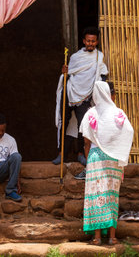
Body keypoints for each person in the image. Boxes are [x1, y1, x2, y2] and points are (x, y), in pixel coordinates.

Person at [80, 81, 134, 245]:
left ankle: (97, 238)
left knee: (97, 195)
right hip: (114, 159)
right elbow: (128, 132)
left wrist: (89, 161)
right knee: (111, 196)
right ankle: (112, 237)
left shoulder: (91, 114)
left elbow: (86, 143)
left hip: (96, 157)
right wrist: (120, 155)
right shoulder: (118, 113)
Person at [53, 27, 109, 176]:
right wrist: (65, 71)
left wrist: (96, 93)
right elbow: (70, 73)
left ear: (97, 42)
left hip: (85, 97)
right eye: (88, 41)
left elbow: (103, 75)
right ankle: (61, 153)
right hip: (70, 91)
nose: (90, 43)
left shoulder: (99, 57)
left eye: (93, 41)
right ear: (84, 41)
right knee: (63, 121)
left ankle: (80, 154)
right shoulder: (75, 57)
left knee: (83, 126)